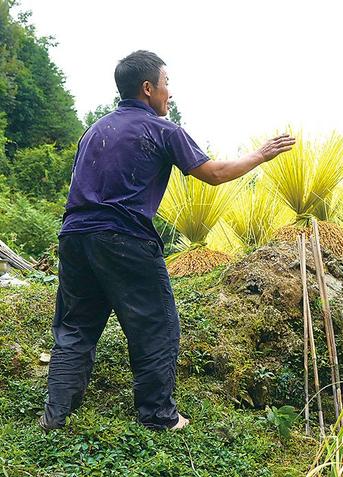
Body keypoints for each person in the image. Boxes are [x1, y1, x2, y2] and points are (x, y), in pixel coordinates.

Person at [40, 50, 295, 431]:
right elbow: (214, 174)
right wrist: (260, 154)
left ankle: (54, 417)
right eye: (166, 83)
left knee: (76, 328)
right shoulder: (162, 130)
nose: (170, 93)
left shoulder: (94, 130)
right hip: (124, 238)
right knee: (156, 325)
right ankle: (159, 416)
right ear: (148, 88)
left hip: (75, 237)